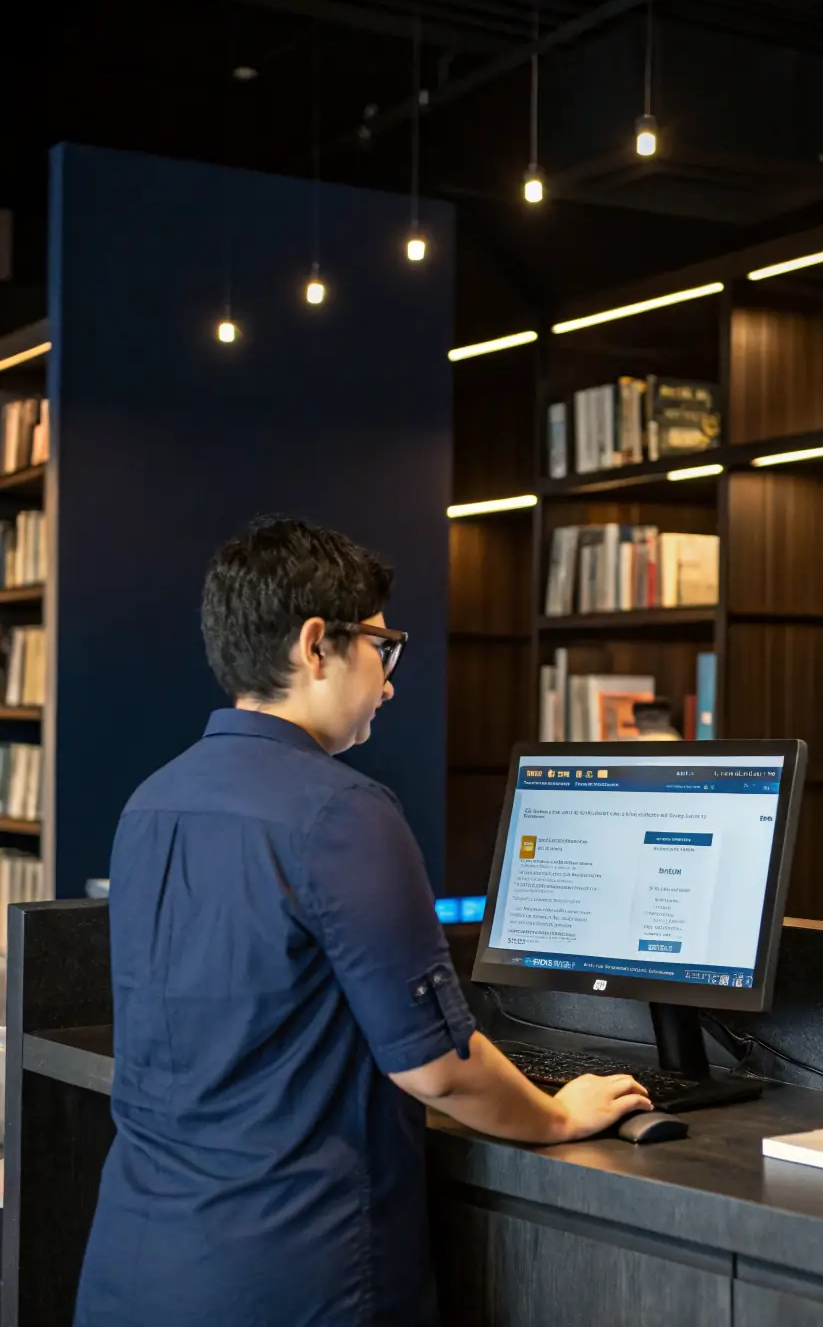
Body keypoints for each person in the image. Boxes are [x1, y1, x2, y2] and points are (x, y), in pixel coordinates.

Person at [73, 514, 651, 1327]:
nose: (388, 681)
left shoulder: (151, 800)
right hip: (292, 1276)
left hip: (136, 1264)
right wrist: (559, 1113)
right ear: (317, 646)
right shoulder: (344, 811)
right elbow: (437, 1068)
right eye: (383, 646)